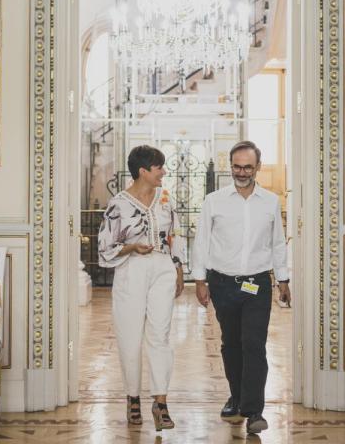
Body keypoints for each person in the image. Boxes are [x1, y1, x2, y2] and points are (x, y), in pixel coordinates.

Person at [193, 140, 290, 435]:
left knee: (254, 345)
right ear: (230, 166)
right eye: (237, 166)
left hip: (257, 284)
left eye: (248, 166)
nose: (242, 172)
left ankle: (254, 411)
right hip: (222, 283)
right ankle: (236, 398)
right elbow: (202, 241)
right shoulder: (214, 201)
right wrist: (199, 280)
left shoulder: (270, 202)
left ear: (257, 167)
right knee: (231, 344)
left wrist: (283, 280)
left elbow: (276, 244)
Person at [97, 145, 186, 430]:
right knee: (130, 337)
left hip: (162, 268)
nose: (164, 172)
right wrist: (132, 246)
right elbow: (104, 248)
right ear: (143, 171)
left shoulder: (165, 198)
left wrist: (179, 269)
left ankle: (160, 403)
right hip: (131, 270)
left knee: (160, 336)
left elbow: (174, 234)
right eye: (159, 167)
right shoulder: (118, 204)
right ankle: (132, 398)